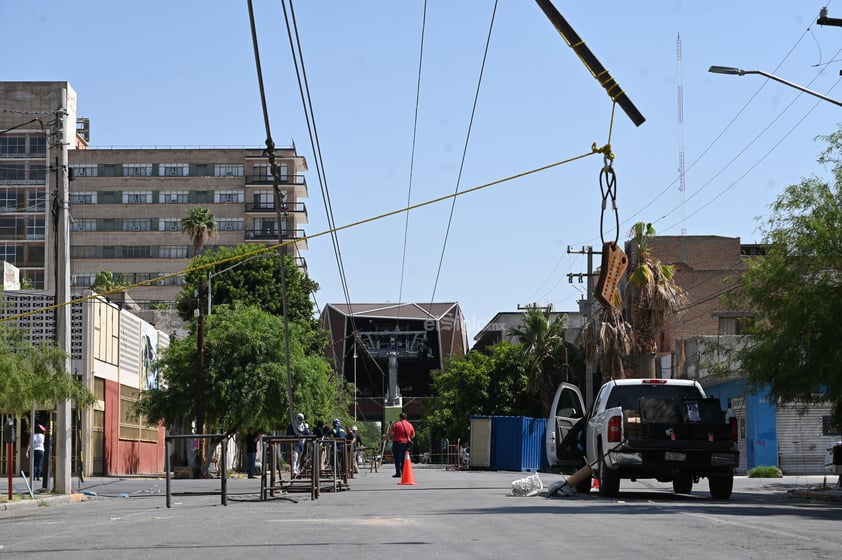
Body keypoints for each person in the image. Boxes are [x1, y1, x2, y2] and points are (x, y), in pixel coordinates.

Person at [389, 412, 415, 478]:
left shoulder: (397, 424)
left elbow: (391, 433)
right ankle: (404, 472)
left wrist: (390, 438)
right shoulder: (410, 425)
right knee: (404, 458)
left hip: (397, 443)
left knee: (397, 458)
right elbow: (413, 435)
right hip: (406, 444)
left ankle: (398, 473)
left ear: (400, 417)